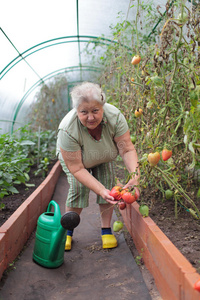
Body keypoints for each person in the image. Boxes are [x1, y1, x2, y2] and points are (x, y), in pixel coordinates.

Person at [56, 82, 140, 251]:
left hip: (103, 155)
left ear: (102, 106)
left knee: (108, 184)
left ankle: (106, 230)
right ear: (76, 110)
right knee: (78, 187)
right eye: (84, 112)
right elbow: (78, 169)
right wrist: (99, 190)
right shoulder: (68, 129)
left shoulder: (114, 117)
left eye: (95, 110)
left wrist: (135, 176)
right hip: (77, 161)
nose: (91, 117)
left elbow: (127, 149)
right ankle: (67, 232)